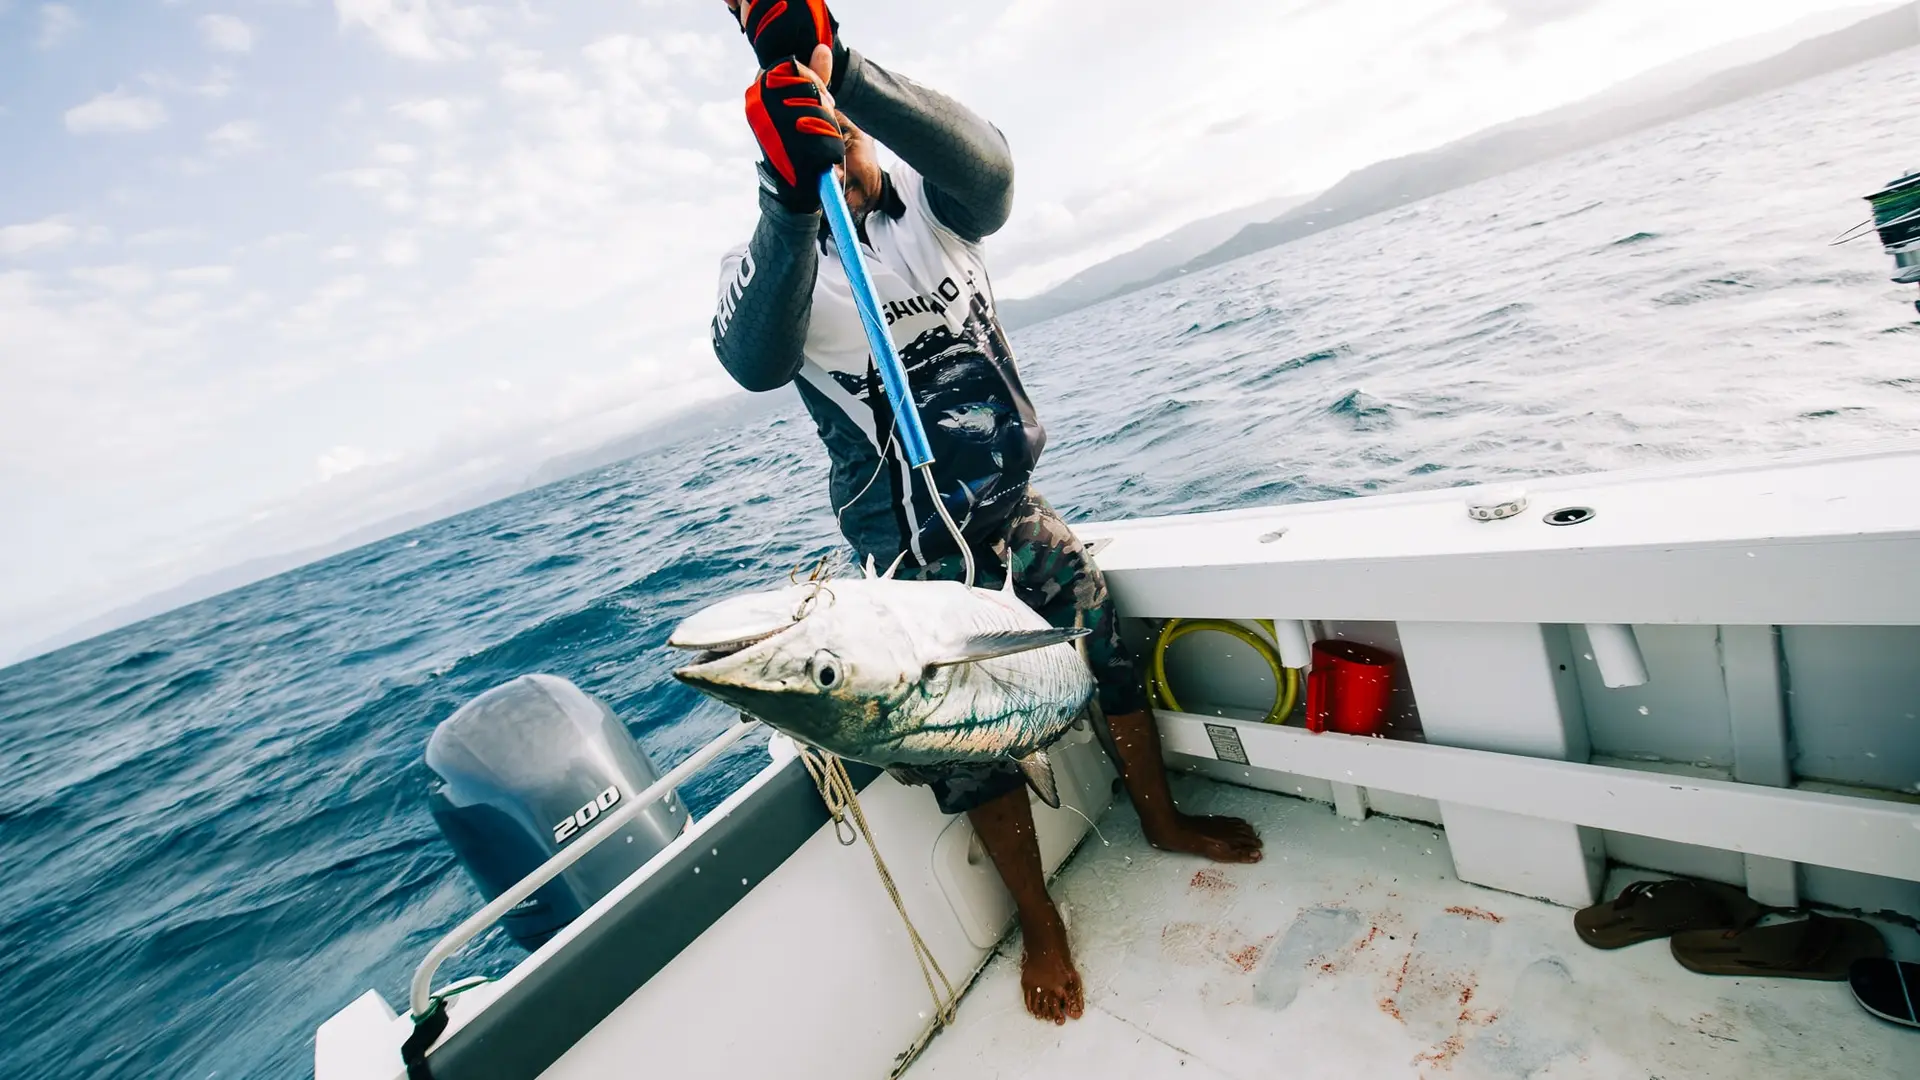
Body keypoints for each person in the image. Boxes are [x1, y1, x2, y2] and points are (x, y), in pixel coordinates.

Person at [709, 0, 1263, 1025]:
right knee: (968, 748)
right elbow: (751, 358)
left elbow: (993, 174)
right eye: (823, 128)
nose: (843, 139)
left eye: (851, 126)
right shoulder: (789, 271)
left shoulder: (935, 210)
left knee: (1107, 639)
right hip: (911, 565)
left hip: (1016, 517)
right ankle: (1040, 921)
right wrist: (789, 199)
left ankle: (1163, 817)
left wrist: (848, 70)